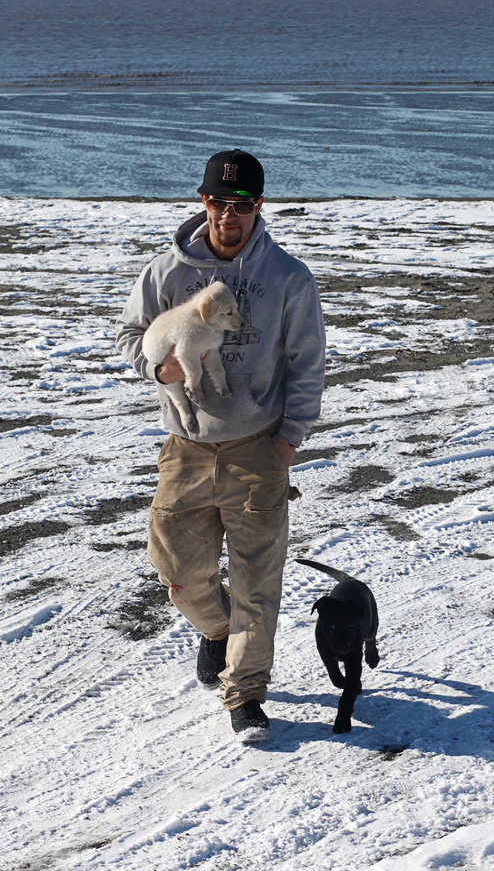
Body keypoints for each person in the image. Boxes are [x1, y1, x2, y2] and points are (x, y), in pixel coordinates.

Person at [115, 149, 325, 742]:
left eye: (242, 204)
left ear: (260, 206)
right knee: (177, 571)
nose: (229, 214)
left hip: (258, 446)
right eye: (217, 202)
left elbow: (306, 365)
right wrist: (157, 373)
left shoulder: (288, 278)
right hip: (185, 447)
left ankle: (246, 694)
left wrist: (288, 441)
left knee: (259, 578)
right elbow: (130, 333)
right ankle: (216, 631)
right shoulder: (166, 273)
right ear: (202, 201)